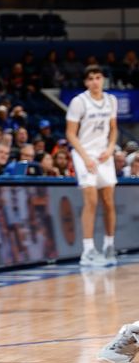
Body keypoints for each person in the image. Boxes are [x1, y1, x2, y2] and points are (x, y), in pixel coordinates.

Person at [66, 65, 118, 266]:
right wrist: (86, 157)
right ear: (86, 82)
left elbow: (113, 129)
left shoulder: (111, 100)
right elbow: (70, 133)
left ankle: (109, 245)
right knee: (91, 200)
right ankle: (87, 250)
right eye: (91, 78)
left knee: (108, 201)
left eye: (98, 77)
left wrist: (111, 148)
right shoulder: (79, 102)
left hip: (104, 154)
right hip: (83, 153)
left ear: (103, 79)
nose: (95, 81)